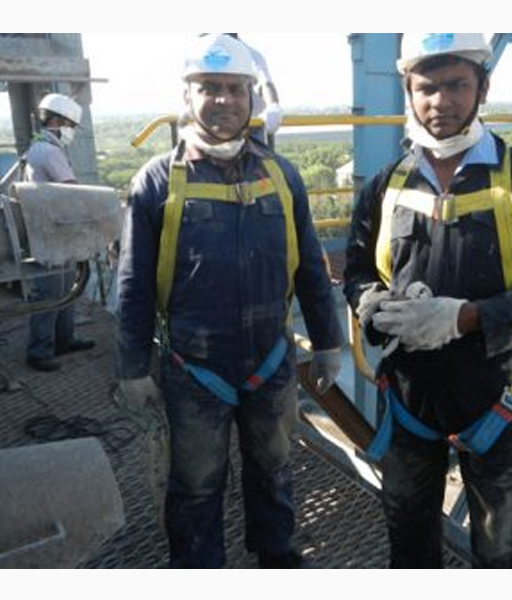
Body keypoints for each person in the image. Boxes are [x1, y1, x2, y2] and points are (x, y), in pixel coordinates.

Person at [344, 33, 512, 568]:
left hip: (497, 403)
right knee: (409, 543)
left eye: (457, 85)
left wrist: (468, 317)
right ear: (409, 92)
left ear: (483, 87)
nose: (442, 101)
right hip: (409, 399)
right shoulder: (386, 187)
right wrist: (370, 303)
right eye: (427, 87)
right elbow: (358, 269)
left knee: (502, 555)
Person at [116, 34, 343, 569]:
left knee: (275, 467)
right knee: (196, 482)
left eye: (235, 89)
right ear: (187, 95)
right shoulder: (158, 182)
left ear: (251, 96)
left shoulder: (280, 176)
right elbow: (134, 283)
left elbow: (310, 267)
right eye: (209, 87)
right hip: (195, 369)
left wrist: (328, 341)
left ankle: (276, 554)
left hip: (270, 361)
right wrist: (132, 366)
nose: (223, 99)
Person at [24, 93, 95, 372]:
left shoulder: (38, 146)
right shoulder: (50, 152)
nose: (72, 131)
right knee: (50, 294)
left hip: (53, 231)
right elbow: (71, 190)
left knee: (66, 289)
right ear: (56, 121)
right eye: (71, 125)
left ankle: (64, 340)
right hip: (52, 234)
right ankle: (38, 352)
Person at [224, 34, 284, 137]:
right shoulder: (203, 54)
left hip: (251, 127)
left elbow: (265, 83)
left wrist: (273, 106)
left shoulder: (251, 55)